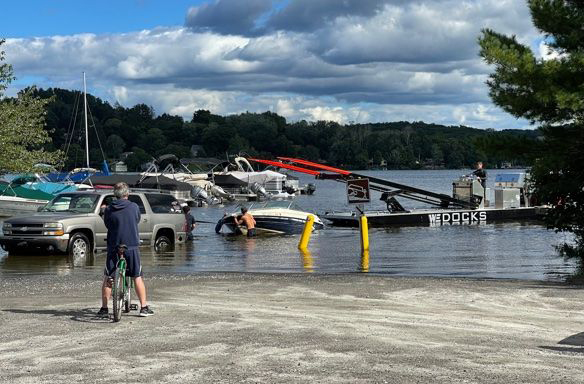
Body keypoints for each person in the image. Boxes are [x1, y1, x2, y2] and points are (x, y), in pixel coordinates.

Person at [98, 182, 154, 318]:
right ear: (127, 194)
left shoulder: (109, 209)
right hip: (131, 245)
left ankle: (104, 309)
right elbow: (137, 219)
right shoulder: (134, 207)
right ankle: (144, 307)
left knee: (108, 277)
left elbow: (107, 224)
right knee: (137, 276)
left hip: (114, 245)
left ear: (115, 195)